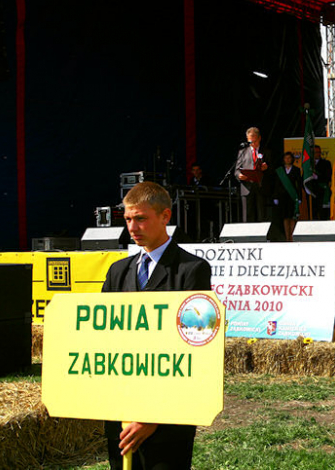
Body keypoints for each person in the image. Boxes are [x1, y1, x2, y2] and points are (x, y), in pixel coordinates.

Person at [101, 181, 211, 470]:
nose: (132, 227)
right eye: (127, 219)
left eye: (141, 218)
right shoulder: (117, 272)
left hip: (169, 420)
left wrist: (153, 418)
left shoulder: (192, 271)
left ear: (165, 217)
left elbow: (194, 352)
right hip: (121, 409)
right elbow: (101, 341)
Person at [235, 127, 269, 222]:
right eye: (249, 139)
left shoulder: (265, 152)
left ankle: (262, 234)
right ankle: (247, 234)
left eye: (253, 138)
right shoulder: (243, 152)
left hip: (260, 186)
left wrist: (266, 168)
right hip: (246, 186)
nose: (251, 141)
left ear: (259, 138)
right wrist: (239, 175)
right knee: (247, 214)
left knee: (261, 214)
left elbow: (273, 170)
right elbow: (236, 170)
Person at [273, 151, 302, 241]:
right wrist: (275, 197)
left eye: (289, 158)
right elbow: (276, 185)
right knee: (285, 217)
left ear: (292, 159)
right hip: (282, 197)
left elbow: (299, 185)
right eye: (286, 158)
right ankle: (287, 237)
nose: (287, 159)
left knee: (292, 217)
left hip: (292, 197)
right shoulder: (279, 170)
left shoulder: (296, 170)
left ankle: (292, 237)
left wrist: (299, 198)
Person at [311, 145, 332, 220]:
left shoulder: (326, 163)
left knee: (323, 214)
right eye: (315, 152)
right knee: (313, 214)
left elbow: (328, 176)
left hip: (322, 192)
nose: (317, 154)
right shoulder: (309, 164)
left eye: (318, 152)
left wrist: (317, 177)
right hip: (311, 193)